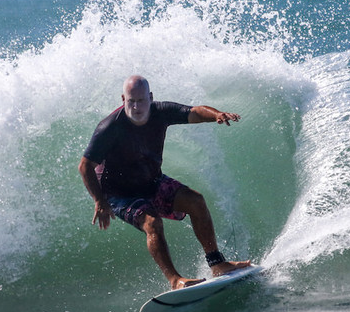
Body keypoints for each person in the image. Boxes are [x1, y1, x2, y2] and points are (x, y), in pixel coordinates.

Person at [79, 75, 252, 290]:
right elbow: (85, 166)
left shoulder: (161, 112)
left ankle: (218, 264)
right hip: (119, 194)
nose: (136, 106)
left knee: (195, 201)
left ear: (150, 98)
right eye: (130, 101)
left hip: (151, 182)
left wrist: (216, 114)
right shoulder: (110, 128)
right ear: (123, 99)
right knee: (152, 223)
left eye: (141, 101)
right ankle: (175, 280)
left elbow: (194, 112)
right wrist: (100, 201)